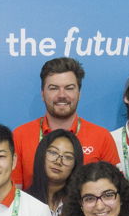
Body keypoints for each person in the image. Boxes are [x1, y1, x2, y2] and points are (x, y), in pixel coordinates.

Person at [12, 57, 121, 187]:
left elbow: (113, 191)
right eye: (53, 88)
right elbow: (15, 194)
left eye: (69, 88)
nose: (62, 95)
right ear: (42, 94)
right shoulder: (20, 135)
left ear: (79, 94)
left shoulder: (102, 137)